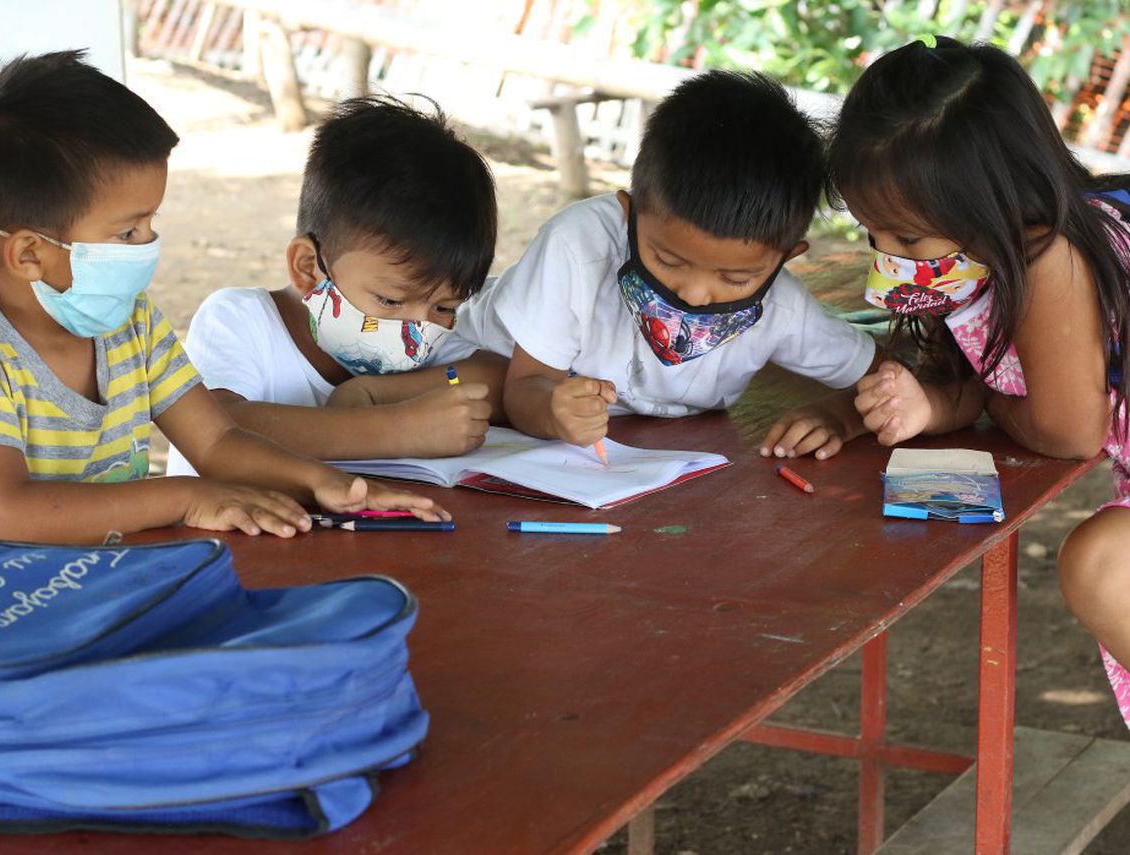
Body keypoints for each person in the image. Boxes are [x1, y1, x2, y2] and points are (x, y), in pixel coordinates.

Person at [0, 50, 444, 543]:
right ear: (28, 255)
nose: (149, 244)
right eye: (127, 233)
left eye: (152, 222)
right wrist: (185, 497)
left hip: (94, 587)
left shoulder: (131, 324)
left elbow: (217, 441)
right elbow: (9, 514)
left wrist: (324, 483)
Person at [831, 36, 1130, 725]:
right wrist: (936, 402)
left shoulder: (1050, 251)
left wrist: (985, 400)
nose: (886, 255)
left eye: (906, 239)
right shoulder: (992, 254)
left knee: (1098, 564)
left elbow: (1068, 428)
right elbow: (967, 375)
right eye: (871, 231)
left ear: (994, 203)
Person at [462, 70, 875, 459]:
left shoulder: (782, 310)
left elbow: (885, 379)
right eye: (667, 259)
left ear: (785, 259)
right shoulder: (579, 247)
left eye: (736, 278)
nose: (694, 294)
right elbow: (525, 387)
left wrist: (843, 415)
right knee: (477, 387)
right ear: (629, 215)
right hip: (448, 349)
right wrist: (552, 410)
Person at [166, 96, 505, 477]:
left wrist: (376, 393)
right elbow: (218, 426)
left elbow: (495, 377)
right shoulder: (240, 320)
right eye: (390, 300)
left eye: (445, 307)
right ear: (309, 267)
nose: (416, 331)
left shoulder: (425, 339)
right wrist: (398, 429)